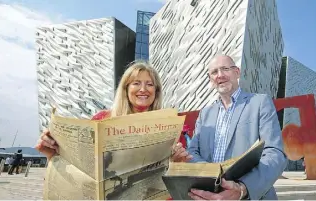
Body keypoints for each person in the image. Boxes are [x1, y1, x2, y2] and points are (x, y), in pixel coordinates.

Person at [35, 60, 192, 163]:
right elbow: (80, 161)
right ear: (126, 88)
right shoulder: (102, 119)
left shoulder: (171, 124)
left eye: (149, 84)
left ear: (156, 91)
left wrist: (178, 161)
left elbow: (179, 174)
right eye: (136, 83)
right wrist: (53, 152)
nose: (143, 89)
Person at [187, 55, 287, 200]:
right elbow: (192, 152)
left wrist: (242, 188)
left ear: (237, 72)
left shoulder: (259, 103)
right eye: (214, 72)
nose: (220, 75)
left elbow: (275, 153)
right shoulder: (204, 114)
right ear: (210, 80)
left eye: (225, 69)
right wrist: (213, 175)